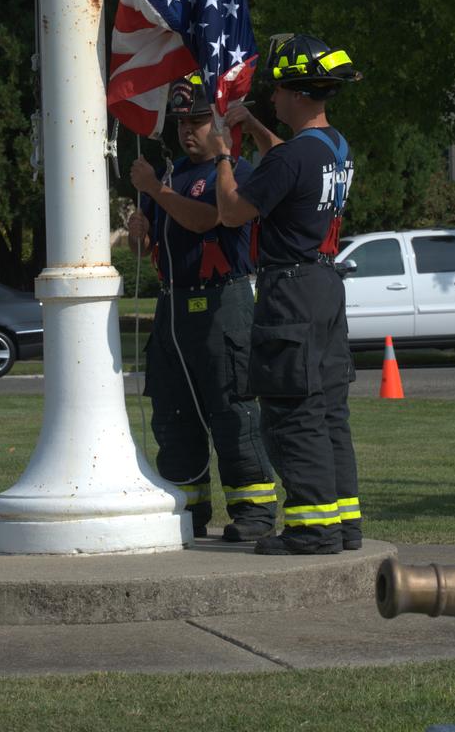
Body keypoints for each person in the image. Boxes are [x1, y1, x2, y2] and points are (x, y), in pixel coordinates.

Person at [211, 34, 362, 556]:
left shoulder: (293, 159)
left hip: (290, 292)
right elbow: (286, 164)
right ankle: (343, 524)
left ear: (297, 94)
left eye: (275, 93)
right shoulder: (333, 146)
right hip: (325, 287)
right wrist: (253, 128)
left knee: (292, 412)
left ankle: (312, 528)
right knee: (327, 410)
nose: (271, 99)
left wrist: (223, 157)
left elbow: (232, 212)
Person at [127, 73, 277, 542]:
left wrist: (153, 191)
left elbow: (203, 219)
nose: (187, 132)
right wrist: (138, 230)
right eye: (180, 124)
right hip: (173, 309)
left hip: (223, 306)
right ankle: (187, 510)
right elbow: (154, 242)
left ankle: (253, 512)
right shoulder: (172, 174)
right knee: (174, 413)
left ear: (218, 124)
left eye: (196, 121)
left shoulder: (234, 173)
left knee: (232, 410)